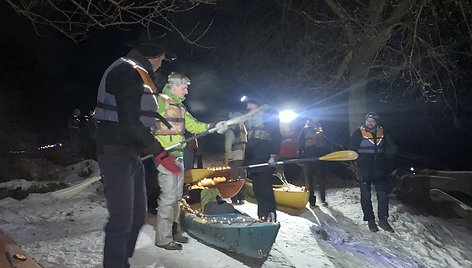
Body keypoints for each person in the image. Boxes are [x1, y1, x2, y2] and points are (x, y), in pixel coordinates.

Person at [95, 37, 180, 268]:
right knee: (122, 219)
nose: (162, 62)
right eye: (162, 57)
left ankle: (122, 262)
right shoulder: (126, 71)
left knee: (137, 217)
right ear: (153, 55)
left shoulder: (138, 72)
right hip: (115, 151)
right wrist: (160, 153)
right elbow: (129, 123)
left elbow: (140, 120)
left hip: (131, 154)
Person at [153, 72, 227, 250]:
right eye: (184, 87)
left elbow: (194, 126)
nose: (186, 92)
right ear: (174, 86)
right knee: (168, 198)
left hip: (178, 156)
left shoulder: (181, 107)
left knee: (178, 197)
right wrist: (156, 150)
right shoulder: (160, 102)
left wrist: (212, 126)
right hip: (164, 157)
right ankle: (163, 238)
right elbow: (146, 126)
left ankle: (175, 230)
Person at [348, 112, 394, 233]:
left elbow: (391, 147)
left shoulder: (383, 133)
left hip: (379, 169)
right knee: (366, 196)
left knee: (383, 196)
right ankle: (370, 220)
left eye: (372, 121)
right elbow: (351, 151)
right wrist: (355, 166)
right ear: (365, 121)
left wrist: (388, 161)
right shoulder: (358, 134)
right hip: (364, 169)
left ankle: (383, 219)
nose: (370, 123)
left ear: (376, 122)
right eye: (368, 120)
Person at [243, 96, 281, 222]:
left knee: (265, 187)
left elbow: (276, 135)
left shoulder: (269, 113)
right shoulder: (250, 117)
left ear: (256, 103)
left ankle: (270, 214)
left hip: (264, 154)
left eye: (249, 104)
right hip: (253, 156)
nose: (247, 107)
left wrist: (273, 155)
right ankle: (262, 215)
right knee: (257, 188)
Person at [298, 119, 330, 207]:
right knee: (309, 179)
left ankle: (322, 199)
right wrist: (300, 156)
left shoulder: (319, 130)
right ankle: (312, 200)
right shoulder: (305, 130)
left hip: (318, 157)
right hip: (308, 157)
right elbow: (300, 144)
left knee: (320, 179)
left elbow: (324, 144)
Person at [224, 111, 248, 204]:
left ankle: (242, 197)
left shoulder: (243, 130)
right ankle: (234, 197)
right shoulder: (231, 131)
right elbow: (228, 146)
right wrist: (230, 158)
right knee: (235, 178)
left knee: (242, 178)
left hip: (243, 157)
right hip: (235, 158)